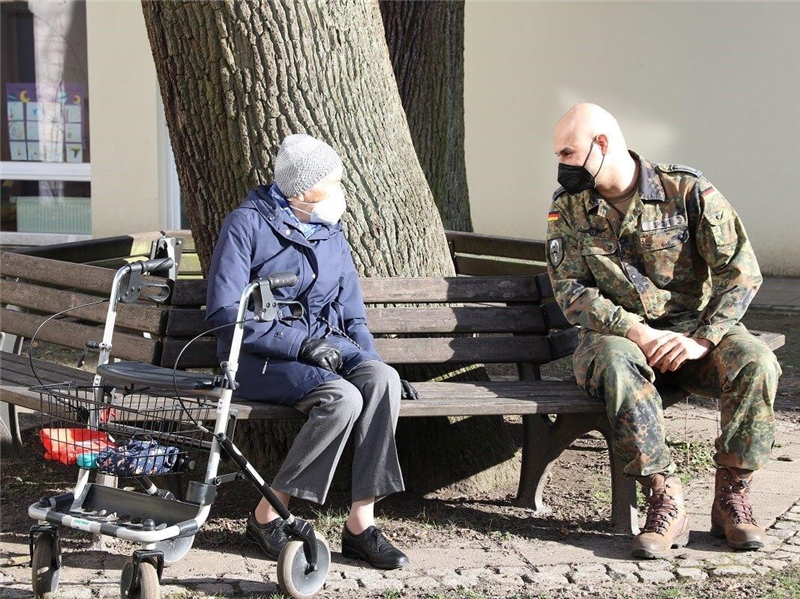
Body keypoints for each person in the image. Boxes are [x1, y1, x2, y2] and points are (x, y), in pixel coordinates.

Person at [546, 103, 781, 559]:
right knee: (616, 363)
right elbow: (572, 291)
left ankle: (732, 495)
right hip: (617, 339)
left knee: (757, 361)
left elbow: (741, 270)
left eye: (569, 153)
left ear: (602, 144)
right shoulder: (568, 208)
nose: (562, 166)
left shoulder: (685, 189)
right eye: (558, 154)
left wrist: (702, 338)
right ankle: (664, 497)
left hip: (692, 337)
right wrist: (636, 331)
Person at [206, 133, 417, 569]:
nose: (341, 192)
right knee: (342, 399)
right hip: (256, 359)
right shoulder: (245, 225)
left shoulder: (330, 231)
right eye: (333, 182)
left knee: (381, 381)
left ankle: (361, 525)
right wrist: (299, 343)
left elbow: (353, 316)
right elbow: (225, 313)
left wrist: (373, 361)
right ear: (301, 190)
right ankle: (267, 515)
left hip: (324, 346)